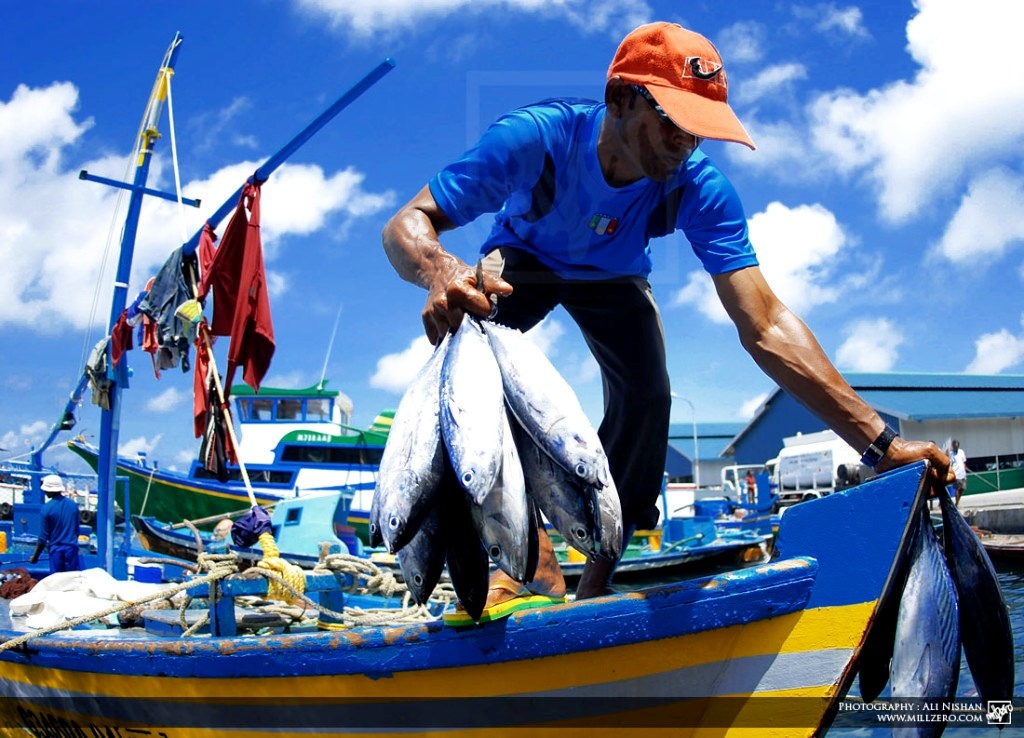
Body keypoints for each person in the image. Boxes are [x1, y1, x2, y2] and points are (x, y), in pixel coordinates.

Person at [382, 21, 949, 604]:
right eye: (674, 125)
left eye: (699, 133)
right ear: (620, 99)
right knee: (471, 360)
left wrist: (880, 444)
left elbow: (766, 322)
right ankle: (530, 561)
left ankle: (596, 585)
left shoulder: (699, 188)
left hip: (614, 277)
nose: (686, 146)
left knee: (648, 397)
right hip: (524, 261)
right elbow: (406, 224)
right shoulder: (536, 138)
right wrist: (439, 270)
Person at [29, 474, 83, 575]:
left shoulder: (46, 509)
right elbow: (76, 530)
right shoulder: (73, 506)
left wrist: (35, 557)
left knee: (57, 581)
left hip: (56, 550)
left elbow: (43, 538)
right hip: (71, 549)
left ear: (48, 490)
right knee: (73, 579)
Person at [949, 439, 968, 505]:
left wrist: (965, 471)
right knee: (957, 488)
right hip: (956, 474)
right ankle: (957, 503)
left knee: (962, 489)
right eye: (954, 446)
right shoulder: (951, 453)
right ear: (953, 446)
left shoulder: (961, 452)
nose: (956, 447)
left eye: (957, 446)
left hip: (962, 473)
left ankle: (957, 502)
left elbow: (964, 462)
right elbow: (950, 464)